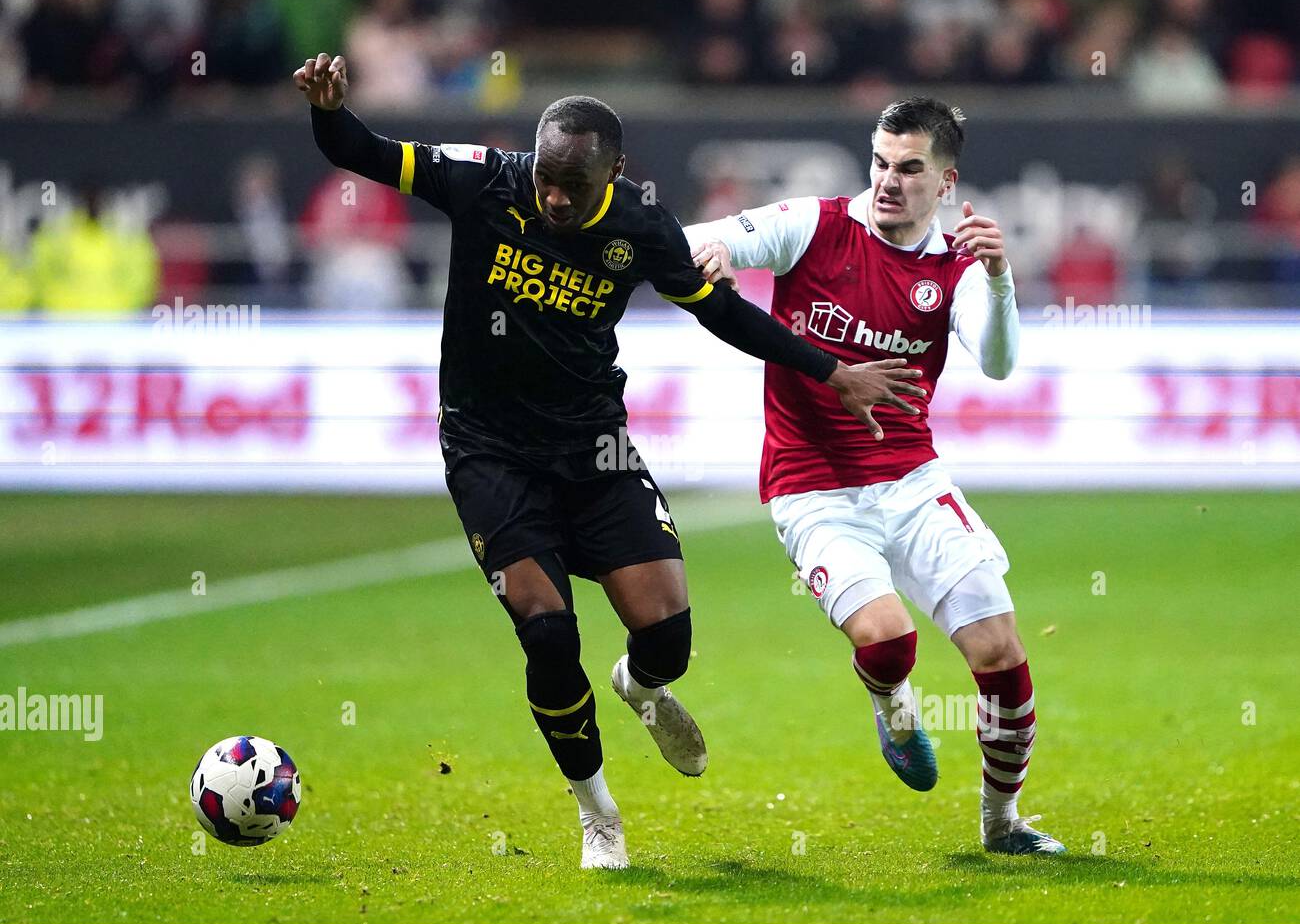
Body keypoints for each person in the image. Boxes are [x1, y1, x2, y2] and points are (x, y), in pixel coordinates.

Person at [296, 53, 922, 868]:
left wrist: (831, 370)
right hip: (490, 451)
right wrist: (328, 110)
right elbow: (362, 151)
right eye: (547, 179)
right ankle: (598, 814)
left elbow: (723, 315)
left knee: (669, 637)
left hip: (594, 447)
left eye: (573, 185)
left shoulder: (641, 228)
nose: (553, 197)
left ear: (614, 173)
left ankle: (642, 686)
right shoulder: (486, 182)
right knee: (549, 634)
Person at [686, 96, 1065, 855]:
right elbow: (704, 235)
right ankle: (891, 704)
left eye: (910, 168)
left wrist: (997, 276)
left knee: (1000, 651)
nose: (889, 181)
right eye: (881, 163)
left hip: (912, 479)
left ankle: (1003, 822)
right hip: (811, 486)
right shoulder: (815, 225)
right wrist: (710, 253)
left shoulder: (956, 266)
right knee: (889, 642)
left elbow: (995, 363)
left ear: (946, 180)